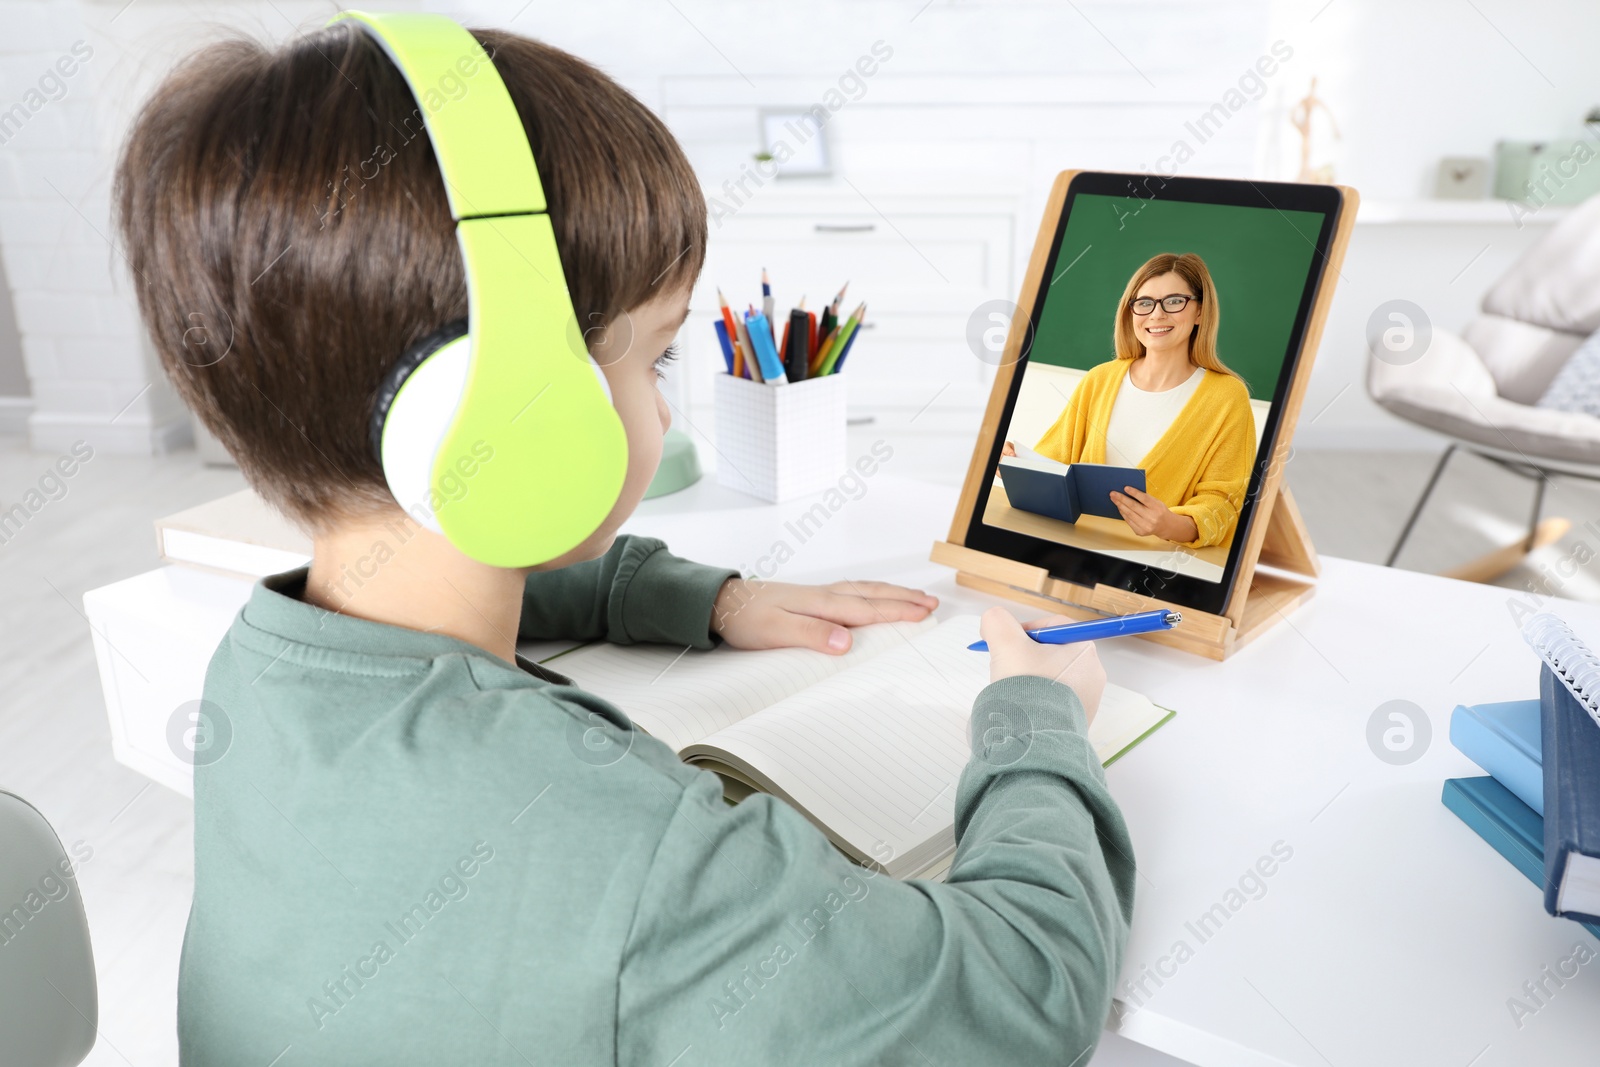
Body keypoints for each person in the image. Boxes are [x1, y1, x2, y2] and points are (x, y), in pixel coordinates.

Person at [114, 19, 1134, 1065]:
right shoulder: (621, 846)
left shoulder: (263, 657)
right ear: (506, 410)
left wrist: (703, 597)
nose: (666, 404)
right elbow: (1019, 996)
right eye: (659, 355)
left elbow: (462, 568)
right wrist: (1039, 725)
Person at [1003, 252, 1255, 549]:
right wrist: (1017, 465)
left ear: (1200, 312)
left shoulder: (1227, 397)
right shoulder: (1100, 379)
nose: (1156, 315)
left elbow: (1225, 505)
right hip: (1076, 548)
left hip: (1157, 567)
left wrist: (1169, 525)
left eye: (1174, 301)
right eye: (1144, 303)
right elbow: (1056, 467)